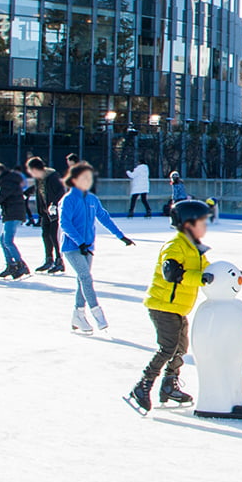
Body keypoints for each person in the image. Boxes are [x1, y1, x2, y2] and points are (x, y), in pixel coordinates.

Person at [126, 197, 210, 413]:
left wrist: (221, 274)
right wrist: (202, 278)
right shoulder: (175, 245)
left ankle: (169, 384)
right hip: (162, 305)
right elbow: (171, 273)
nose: (205, 226)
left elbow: (207, 269)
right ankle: (143, 385)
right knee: (168, 347)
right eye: (202, 221)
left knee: (181, 348)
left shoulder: (195, 248)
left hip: (177, 308)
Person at [60, 161, 136, 333]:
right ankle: (97, 313)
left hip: (88, 247)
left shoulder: (92, 199)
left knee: (82, 280)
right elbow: (65, 223)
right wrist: (79, 242)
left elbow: (104, 218)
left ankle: (77, 315)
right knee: (86, 277)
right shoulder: (69, 199)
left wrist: (121, 236)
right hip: (72, 247)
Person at [27, 158, 68, 274]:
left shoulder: (52, 176)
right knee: (45, 234)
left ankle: (59, 261)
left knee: (54, 236)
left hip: (54, 211)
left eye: (31, 170)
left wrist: (54, 204)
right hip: (45, 211)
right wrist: (25, 194)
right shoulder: (38, 178)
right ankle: (48, 260)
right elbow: (37, 190)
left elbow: (61, 191)